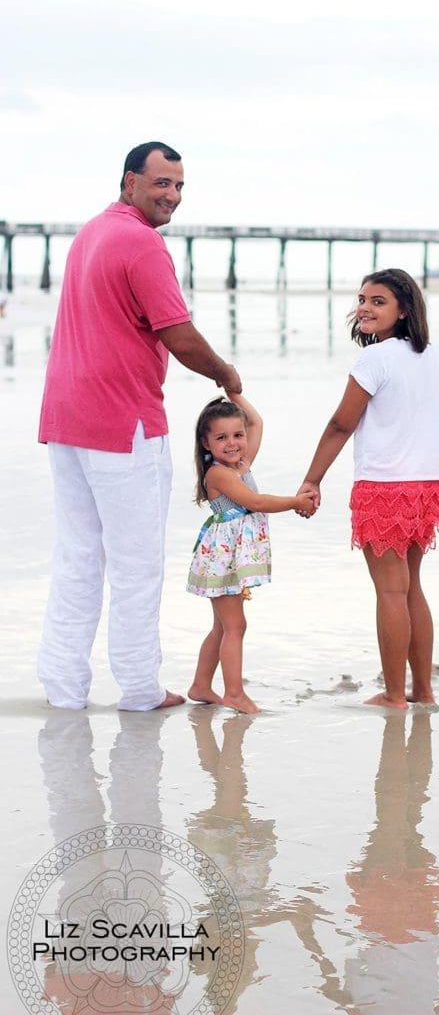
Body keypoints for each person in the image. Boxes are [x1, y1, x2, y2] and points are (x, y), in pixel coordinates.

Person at [37, 141, 243, 712]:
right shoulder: (141, 242)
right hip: (122, 423)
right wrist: (226, 374)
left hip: (66, 419)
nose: (172, 196)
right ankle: (138, 688)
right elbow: (177, 335)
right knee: (137, 563)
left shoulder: (90, 233)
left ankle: (63, 688)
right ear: (130, 182)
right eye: (161, 184)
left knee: (78, 555)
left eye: (179, 186)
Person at [298, 268, 439, 709]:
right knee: (411, 589)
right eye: (362, 299)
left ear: (404, 310)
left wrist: (311, 480)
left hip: (384, 488)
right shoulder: (432, 357)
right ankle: (422, 691)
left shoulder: (374, 360)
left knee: (390, 591)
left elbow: (340, 424)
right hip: (426, 489)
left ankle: (393, 695)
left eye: (378, 301)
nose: (365, 307)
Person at [186, 394, 317, 713]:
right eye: (221, 438)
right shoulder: (219, 474)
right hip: (223, 559)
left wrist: (233, 391)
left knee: (222, 627)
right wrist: (295, 502)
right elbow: (255, 503)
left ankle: (201, 685)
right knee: (235, 627)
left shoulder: (240, 464)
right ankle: (234, 692)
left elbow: (256, 421)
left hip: (230, 558)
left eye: (237, 435)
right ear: (206, 443)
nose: (232, 443)